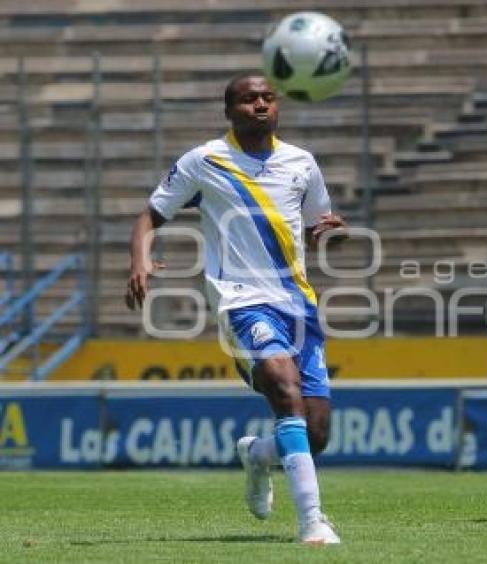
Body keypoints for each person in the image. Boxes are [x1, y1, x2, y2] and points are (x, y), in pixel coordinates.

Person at [126, 73, 346, 544]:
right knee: (284, 387)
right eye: (249, 100)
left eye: (268, 98)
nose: (261, 105)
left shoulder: (302, 163)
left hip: (299, 304)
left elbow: (316, 227)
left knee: (318, 432)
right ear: (229, 110)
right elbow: (150, 214)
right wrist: (140, 259)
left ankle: (258, 456)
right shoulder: (205, 161)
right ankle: (313, 520)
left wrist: (331, 233)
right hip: (241, 300)